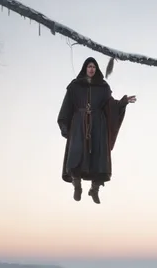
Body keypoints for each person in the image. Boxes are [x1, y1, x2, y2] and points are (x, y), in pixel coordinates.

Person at [58, 57, 136, 204]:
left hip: (98, 126)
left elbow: (111, 106)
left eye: (94, 66)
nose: (91, 69)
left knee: (99, 157)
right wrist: (64, 126)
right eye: (89, 66)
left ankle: (94, 189)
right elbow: (66, 106)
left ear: (97, 69)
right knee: (76, 154)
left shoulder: (103, 87)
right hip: (79, 124)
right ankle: (77, 186)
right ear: (85, 68)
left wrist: (123, 102)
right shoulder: (75, 86)